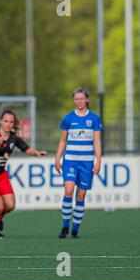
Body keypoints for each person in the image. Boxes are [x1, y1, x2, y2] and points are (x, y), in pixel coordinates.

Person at [0, 109, 48, 238]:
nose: (8, 124)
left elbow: (26, 149)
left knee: (10, 205)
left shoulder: (14, 138)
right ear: (0, 121)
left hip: (0, 174)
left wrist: (37, 153)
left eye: (11, 122)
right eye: (5, 121)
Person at [55, 87, 102, 239]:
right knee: (68, 191)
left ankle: (75, 229)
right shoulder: (68, 118)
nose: (79, 101)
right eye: (76, 99)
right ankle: (64, 226)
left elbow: (97, 140)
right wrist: (57, 159)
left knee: (80, 195)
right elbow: (63, 140)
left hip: (87, 162)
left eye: (81, 98)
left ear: (86, 100)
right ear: (74, 100)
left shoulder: (94, 119)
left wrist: (98, 160)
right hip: (70, 161)